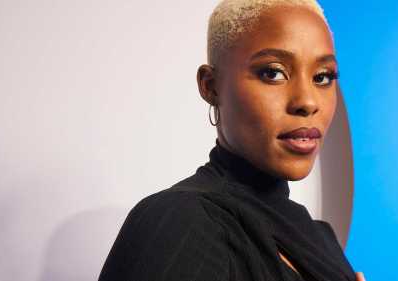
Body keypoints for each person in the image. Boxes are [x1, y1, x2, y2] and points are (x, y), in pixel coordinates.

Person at [99, 0, 366, 280]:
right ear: (211, 86)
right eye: (273, 73)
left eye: (323, 77)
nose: (307, 102)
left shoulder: (322, 241)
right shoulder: (178, 221)